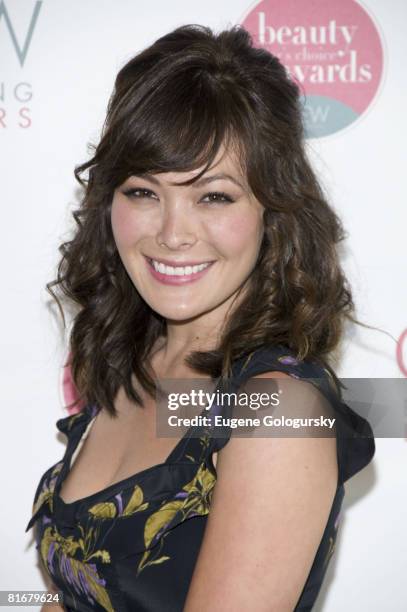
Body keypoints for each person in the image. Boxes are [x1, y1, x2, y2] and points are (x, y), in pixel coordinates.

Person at [26, 24, 375, 611]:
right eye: (143, 192)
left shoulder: (277, 413)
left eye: (214, 196)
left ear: (274, 209)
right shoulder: (133, 362)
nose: (172, 234)